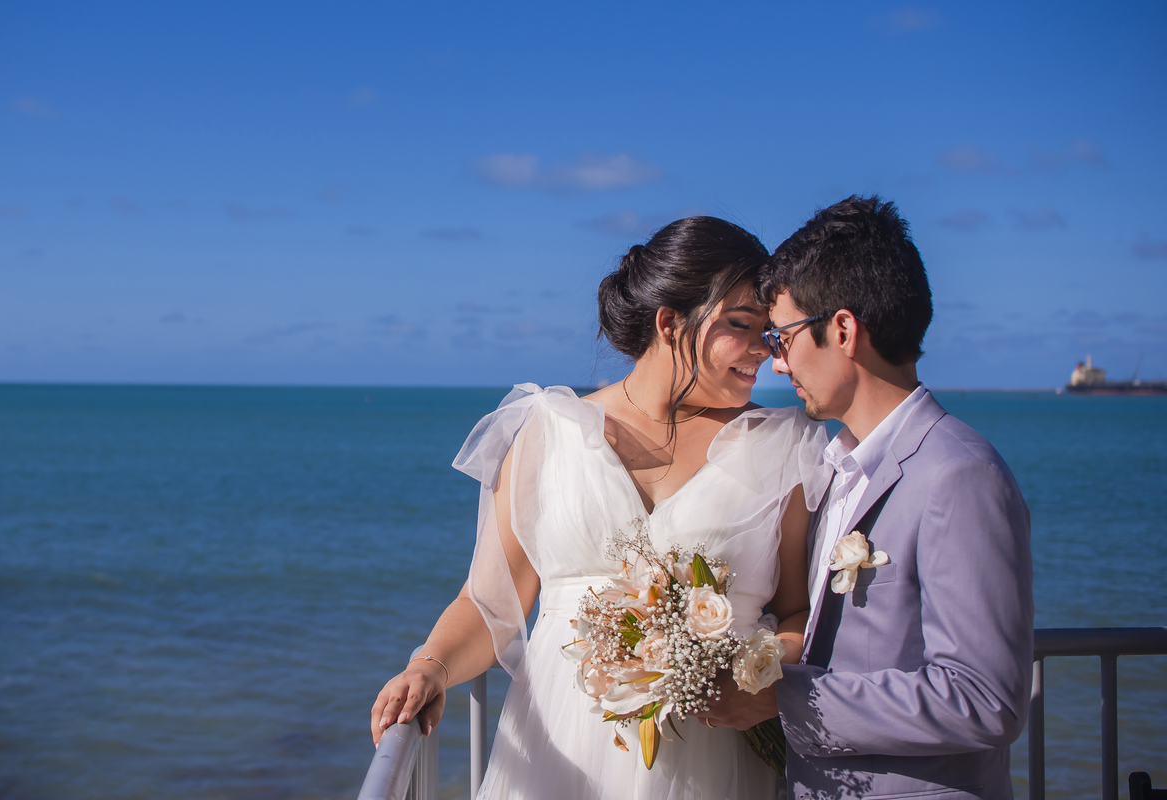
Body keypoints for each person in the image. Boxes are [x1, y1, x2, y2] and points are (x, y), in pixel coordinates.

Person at [371, 216, 832, 799]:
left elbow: (798, 615)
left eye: (770, 333)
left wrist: (757, 678)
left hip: (716, 761)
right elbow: (490, 605)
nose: (764, 353)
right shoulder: (548, 433)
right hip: (560, 759)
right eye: (742, 326)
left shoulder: (784, 446)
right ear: (670, 323)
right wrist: (429, 667)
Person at [701, 196, 1033, 799]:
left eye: (783, 337)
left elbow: (984, 699)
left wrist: (783, 696)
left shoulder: (958, 474)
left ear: (844, 330)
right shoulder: (833, 469)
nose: (778, 365)